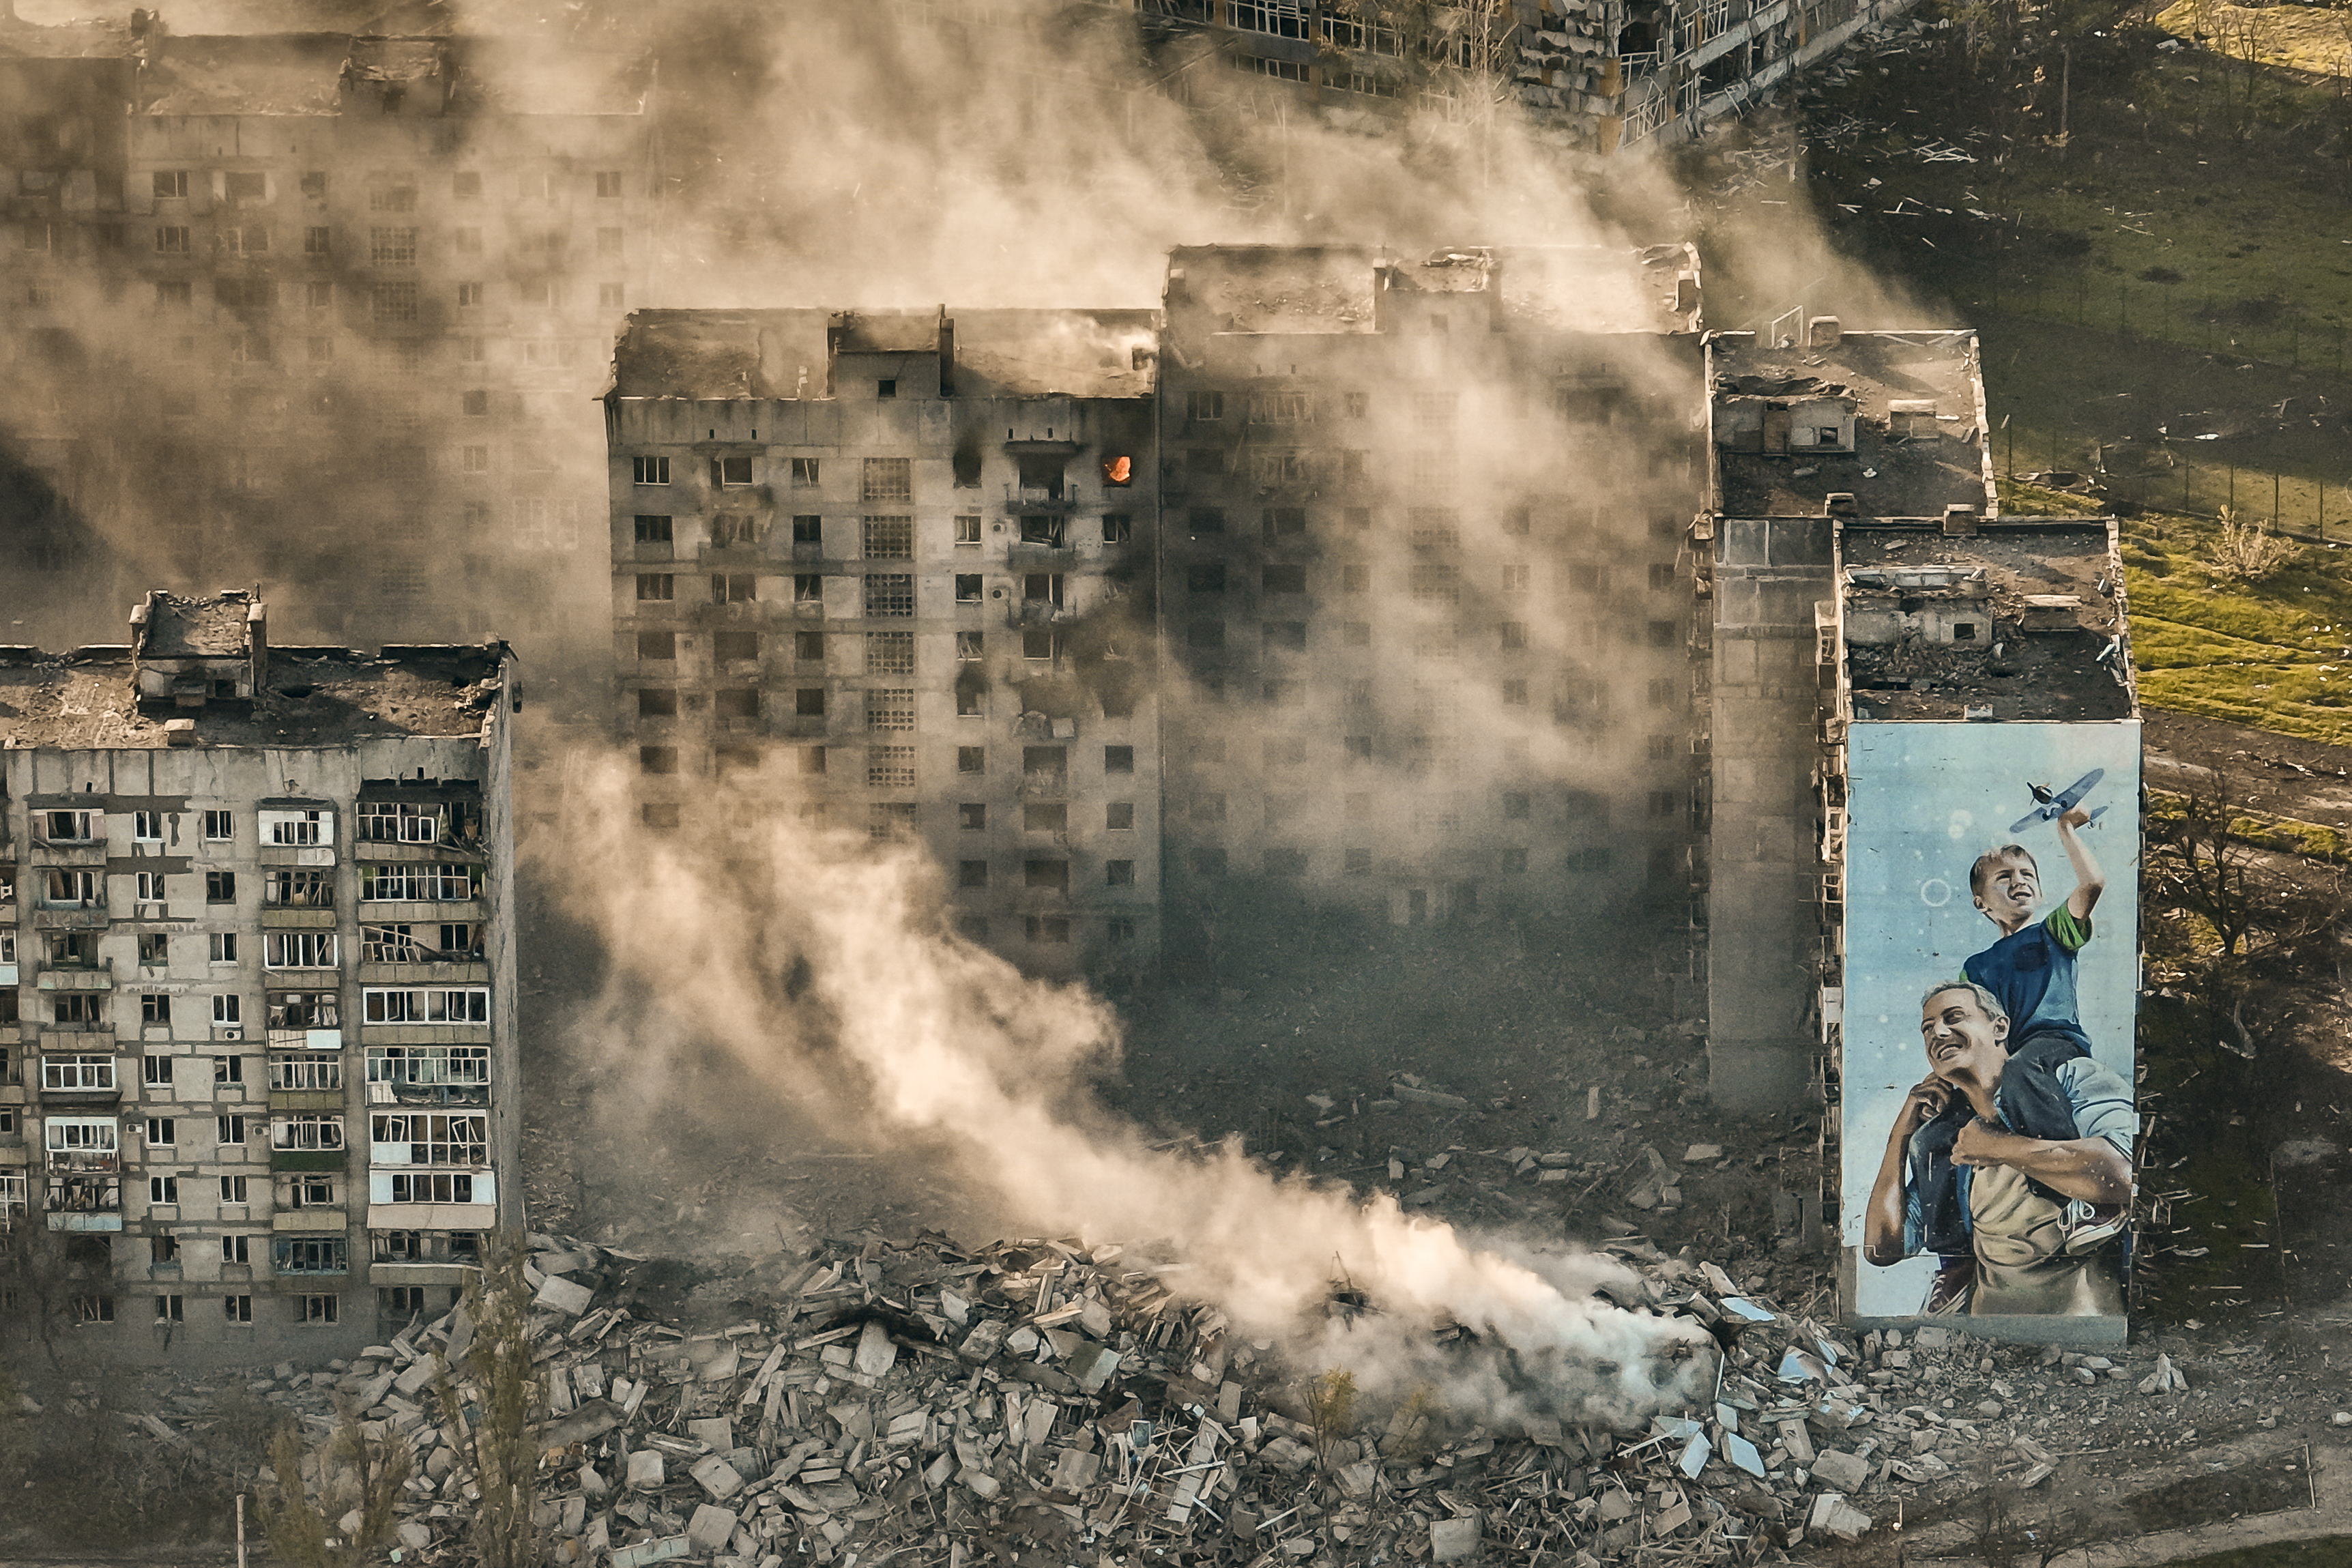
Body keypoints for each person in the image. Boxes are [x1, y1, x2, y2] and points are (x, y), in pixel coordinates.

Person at [1907, 806, 2110, 1312]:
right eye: (2004, 878)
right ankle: (1953, 1260)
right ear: (1981, 903)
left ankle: (2084, 1202)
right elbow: (1962, 1027)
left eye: (2027, 875)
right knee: (1931, 1138)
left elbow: (2091, 885)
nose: (2018, 882)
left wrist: (2065, 828)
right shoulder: (1974, 967)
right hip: (1997, 1063)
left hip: (2047, 1043)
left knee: (2021, 1071)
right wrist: (1941, 1081)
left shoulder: (2053, 933)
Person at [1864, 982, 2134, 1318]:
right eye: (1927, 1028)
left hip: (2082, 1329)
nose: (1939, 1032)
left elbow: (2124, 1178)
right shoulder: (1948, 1143)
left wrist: (2000, 1148)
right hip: (1985, 1339)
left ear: (2000, 1027)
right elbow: (1882, 1248)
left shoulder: (2068, 1079)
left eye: (1954, 1017)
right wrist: (1900, 1136)